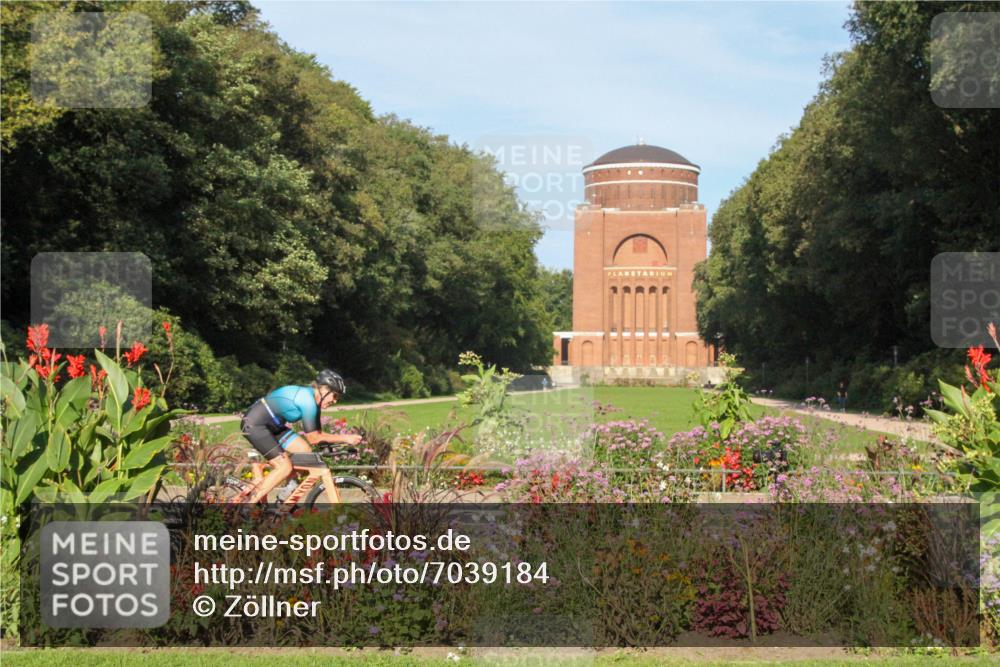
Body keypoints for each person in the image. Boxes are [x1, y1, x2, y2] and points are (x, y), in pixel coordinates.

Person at [240, 369, 362, 503]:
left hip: (274, 426)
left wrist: (338, 443)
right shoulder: (307, 401)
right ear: (323, 390)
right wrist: (346, 438)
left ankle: (284, 497)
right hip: (256, 424)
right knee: (284, 467)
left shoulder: (315, 402)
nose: (335, 401)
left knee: (305, 451)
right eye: (334, 396)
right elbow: (314, 437)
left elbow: (318, 435)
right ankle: (247, 506)